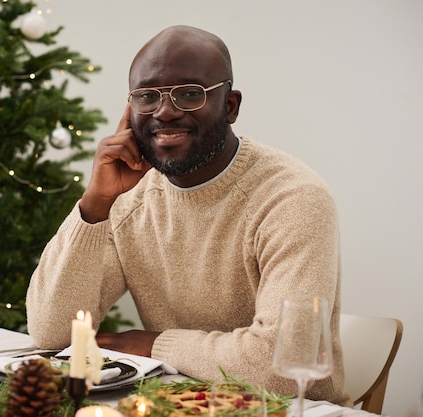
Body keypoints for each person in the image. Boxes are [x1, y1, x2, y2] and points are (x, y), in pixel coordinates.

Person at [26, 25, 351, 406]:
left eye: (189, 94)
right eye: (147, 96)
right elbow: (51, 332)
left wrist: (158, 345)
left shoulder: (293, 198)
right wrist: (95, 205)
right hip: (174, 405)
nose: (165, 111)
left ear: (230, 106)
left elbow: (278, 367)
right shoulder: (129, 198)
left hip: (288, 411)